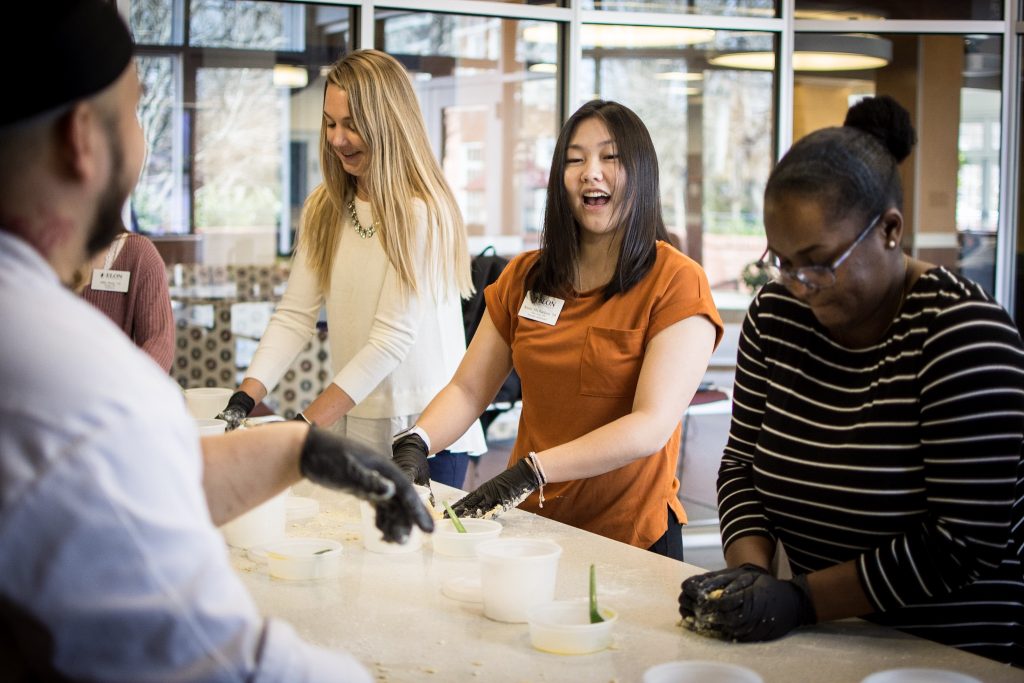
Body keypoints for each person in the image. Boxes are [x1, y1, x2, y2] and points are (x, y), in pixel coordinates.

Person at [0, 3, 431, 680]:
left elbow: (129, 486)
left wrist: (298, 443)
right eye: (138, 109)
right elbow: (218, 656)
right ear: (84, 140)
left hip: (408, 418)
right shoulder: (79, 384)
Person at [679, 96, 1024, 667]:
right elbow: (742, 464)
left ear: (890, 229)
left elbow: (961, 542)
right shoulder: (777, 315)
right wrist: (749, 575)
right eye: (782, 262)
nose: (799, 285)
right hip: (825, 641)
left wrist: (801, 599)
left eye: (818, 262)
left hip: (953, 655)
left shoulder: (964, 334)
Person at [391, 100, 723, 560]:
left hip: (630, 537)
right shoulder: (525, 277)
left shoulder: (676, 281)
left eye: (610, 157)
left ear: (642, 172)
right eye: (575, 159)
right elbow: (469, 390)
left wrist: (533, 471)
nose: (591, 172)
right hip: (530, 530)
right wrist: (418, 439)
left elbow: (650, 425)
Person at [217, 49, 486, 489]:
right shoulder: (324, 207)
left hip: (426, 431)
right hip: (357, 417)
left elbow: (391, 339)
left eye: (352, 124)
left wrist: (306, 425)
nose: (337, 139)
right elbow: (294, 315)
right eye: (330, 123)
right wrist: (246, 396)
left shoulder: (422, 211)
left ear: (389, 123)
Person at [74, 229, 175, 372]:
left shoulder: (139, 253)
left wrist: (125, 384)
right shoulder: (47, 251)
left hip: (116, 385)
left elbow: (159, 340)